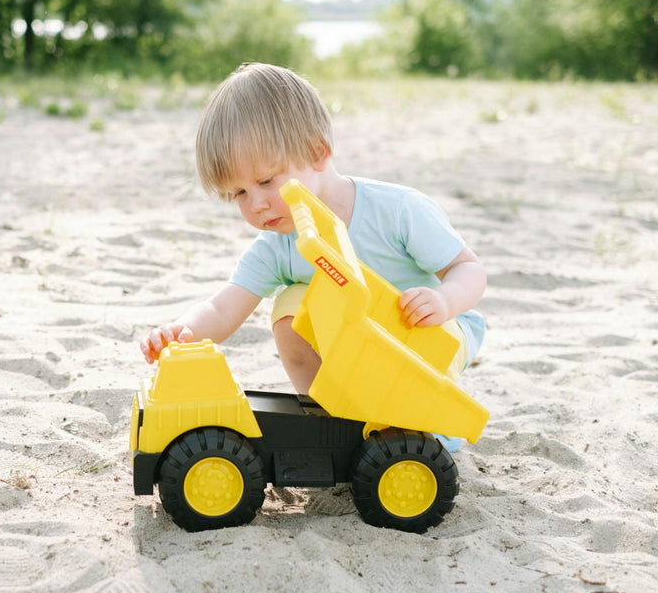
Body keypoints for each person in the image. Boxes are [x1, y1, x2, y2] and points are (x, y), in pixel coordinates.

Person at [139, 63, 486, 401]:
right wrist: (180, 333)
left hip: (432, 333)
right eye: (239, 194)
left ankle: (419, 419)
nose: (256, 203)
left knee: (411, 402)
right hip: (365, 345)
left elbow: (468, 269)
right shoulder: (278, 246)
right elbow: (222, 308)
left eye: (265, 181)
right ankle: (324, 409)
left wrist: (443, 299)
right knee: (289, 305)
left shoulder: (397, 210)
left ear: (317, 152)